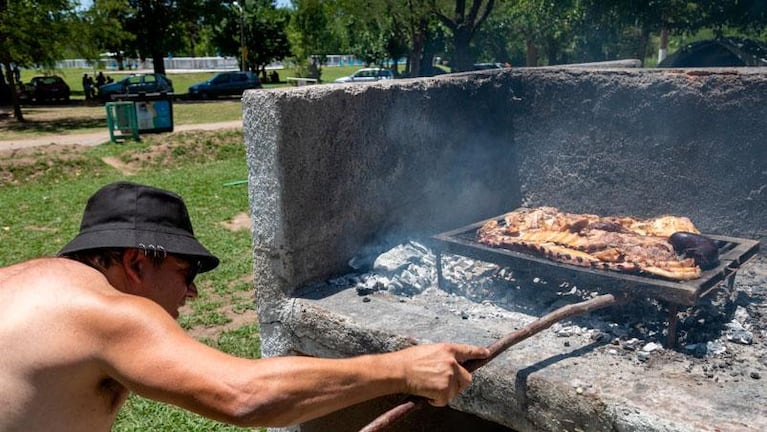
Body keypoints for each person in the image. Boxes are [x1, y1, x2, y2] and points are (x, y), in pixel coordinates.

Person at [0, 181, 489, 431]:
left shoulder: (20, 284)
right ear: (135, 262)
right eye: (185, 273)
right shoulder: (105, 312)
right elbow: (242, 395)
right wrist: (403, 368)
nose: (190, 293)